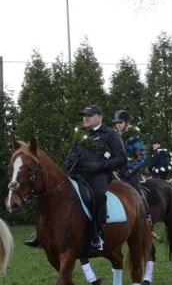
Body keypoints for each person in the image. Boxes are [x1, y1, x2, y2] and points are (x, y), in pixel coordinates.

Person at [25, 104, 127, 268]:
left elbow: (121, 158)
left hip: (98, 175)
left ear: (100, 117)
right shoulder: (80, 135)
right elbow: (71, 156)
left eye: (90, 115)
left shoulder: (110, 134)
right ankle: (41, 235)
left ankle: (99, 235)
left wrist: (102, 165)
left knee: (99, 196)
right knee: (52, 195)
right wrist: (68, 163)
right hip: (76, 174)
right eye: (84, 115)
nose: (86, 118)